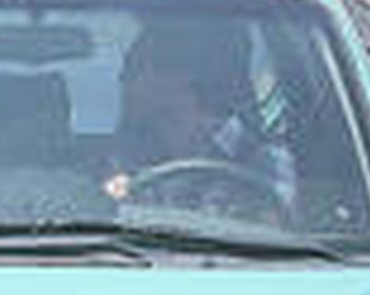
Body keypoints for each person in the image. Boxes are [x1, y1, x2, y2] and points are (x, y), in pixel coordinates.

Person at [106, 23, 294, 225]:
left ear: (184, 77)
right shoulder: (129, 159)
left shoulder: (266, 162)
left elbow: (278, 235)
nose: (124, 80)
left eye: (136, 68)